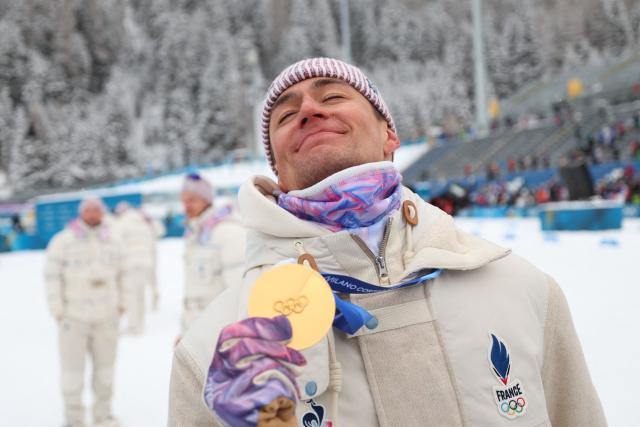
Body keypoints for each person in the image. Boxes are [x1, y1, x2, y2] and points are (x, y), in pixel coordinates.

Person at [168, 58, 606, 426]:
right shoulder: (213, 350)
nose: (307, 110)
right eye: (285, 115)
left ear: (389, 135)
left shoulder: (523, 289)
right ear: (277, 171)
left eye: (333, 96)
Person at [45, 197, 124, 427]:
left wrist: (122, 306)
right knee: (72, 373)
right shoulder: (63, 241)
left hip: (106, 318)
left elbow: (124, 275)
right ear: (81, 213)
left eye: (96, 210)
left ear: (102, 213)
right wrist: (57, 310)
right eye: (88, 210)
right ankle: (74, 418)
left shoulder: (114, 241)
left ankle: (104, 415)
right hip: (74, 318)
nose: (92, 214)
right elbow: (51, 277)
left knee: (105, 370)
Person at [179, 172, 246, 335]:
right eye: (184, 200)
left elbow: (239, 293)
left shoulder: (228, 231)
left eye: (192, 200)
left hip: (217, 335)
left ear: (207, 200)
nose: (186, 206)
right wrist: (184, 334)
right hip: (195, 331)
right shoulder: (196, 234)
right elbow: (195, 289)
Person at [113, 201, 160, 334]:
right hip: (146, 262)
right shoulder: (143, 222)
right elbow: (155, 236)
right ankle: (140, 325)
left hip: (130, 263)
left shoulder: (122, 223)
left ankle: (134, 327)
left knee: (132, 296)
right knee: (140, 295)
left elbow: (114, 241)